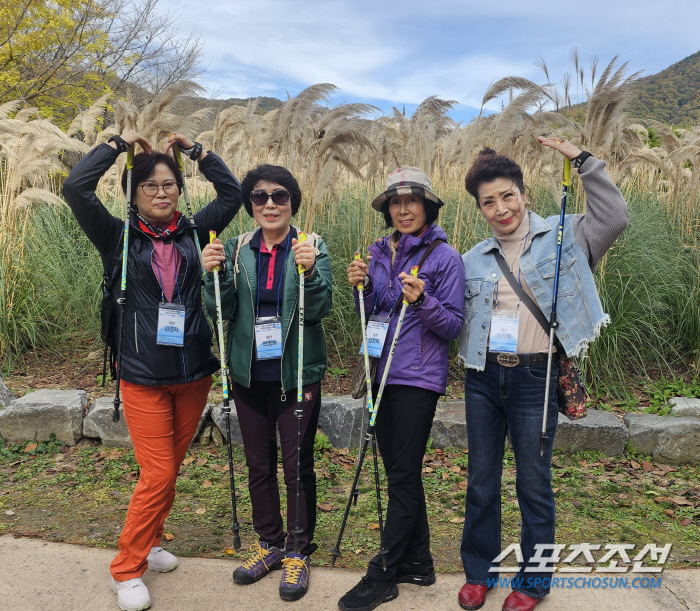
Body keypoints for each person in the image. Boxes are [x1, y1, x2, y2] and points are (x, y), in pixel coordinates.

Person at [63, 130, 242, 611]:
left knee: (168, 469)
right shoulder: (115, 236)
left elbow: (234, 194)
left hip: (194, 373)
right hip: (142, 375)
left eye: (169, 185)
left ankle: (153, 540)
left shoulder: (195, 230)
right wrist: (114, 147)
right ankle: (127, 567)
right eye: (150, 186)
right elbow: (75, 188)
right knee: (159, 472)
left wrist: (197, 152)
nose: (161, 193)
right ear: (133, 192)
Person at [457, 139, 629, 611]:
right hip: (483, 378)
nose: (501, 208)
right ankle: (479, 573)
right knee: (481, 481)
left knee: (533, 483)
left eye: (507, 195)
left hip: (536, 377)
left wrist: (581, 160)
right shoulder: (471, 258)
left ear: (524, 193)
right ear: (480, 209)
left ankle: (533, 582)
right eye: (488, 202)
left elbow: (615, 217)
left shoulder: (565, 236)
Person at [201, 164, 332, 602]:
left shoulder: (311, 245)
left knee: (297, 469)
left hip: (296, 376)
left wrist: (310, 273)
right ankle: (270, 544)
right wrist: (212, 274)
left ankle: (297, 551)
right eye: (259, 197)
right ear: (250, 205)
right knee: (259, 465)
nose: (270, 204)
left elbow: (318, 311)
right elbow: (222, 311)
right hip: (249, 375)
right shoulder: (236, 248)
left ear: (293, 201)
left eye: (279, 196)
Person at [339, 167, 465, 611]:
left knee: (404, 474)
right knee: (400, 473)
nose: (403, 209)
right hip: (381, 372)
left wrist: (422, 299)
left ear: (427, 206)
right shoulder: (379, 251)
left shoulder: (445, 258)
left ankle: (384, 573)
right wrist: (365, 285)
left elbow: (451, 325)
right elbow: (374, 310)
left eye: (412, 202)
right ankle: (419, 563)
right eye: (396, 202)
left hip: (417, 377)